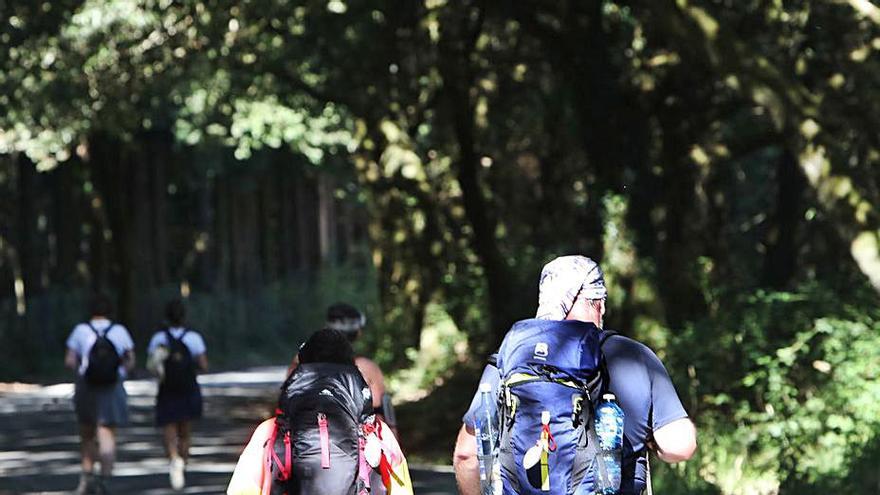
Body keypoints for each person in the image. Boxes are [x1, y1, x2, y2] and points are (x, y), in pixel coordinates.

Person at [452, 255, 697, 495]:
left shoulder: (511, 358)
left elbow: (467, 454)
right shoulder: (632, 356)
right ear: (599, 302)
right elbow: (680, 446)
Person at [64, 293, 136, 495]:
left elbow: (70, 361)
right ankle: (105, 478)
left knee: (87, 434)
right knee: (107, 433)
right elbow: (130, 361)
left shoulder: (80, 331)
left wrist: (82, 369)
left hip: (87, 386)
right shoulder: (120, 331)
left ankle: (86, 477)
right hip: (112, 386)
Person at [289, 303, 395, 431]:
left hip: (305, 438)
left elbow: (286, 399)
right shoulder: (367, 368)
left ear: (326, 329)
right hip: (354, 441)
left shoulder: (300, 361)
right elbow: (379, 407)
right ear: (358, 333)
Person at [146, 299, 208, 491]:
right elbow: (204, 365)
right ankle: (184, 461)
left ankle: (174, 460)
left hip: (167, 388)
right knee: (185, 429)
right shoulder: (194, 338)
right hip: (189, 387)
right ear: (184, 317)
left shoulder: (158, 339)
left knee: (169, 426)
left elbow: (151, 366)